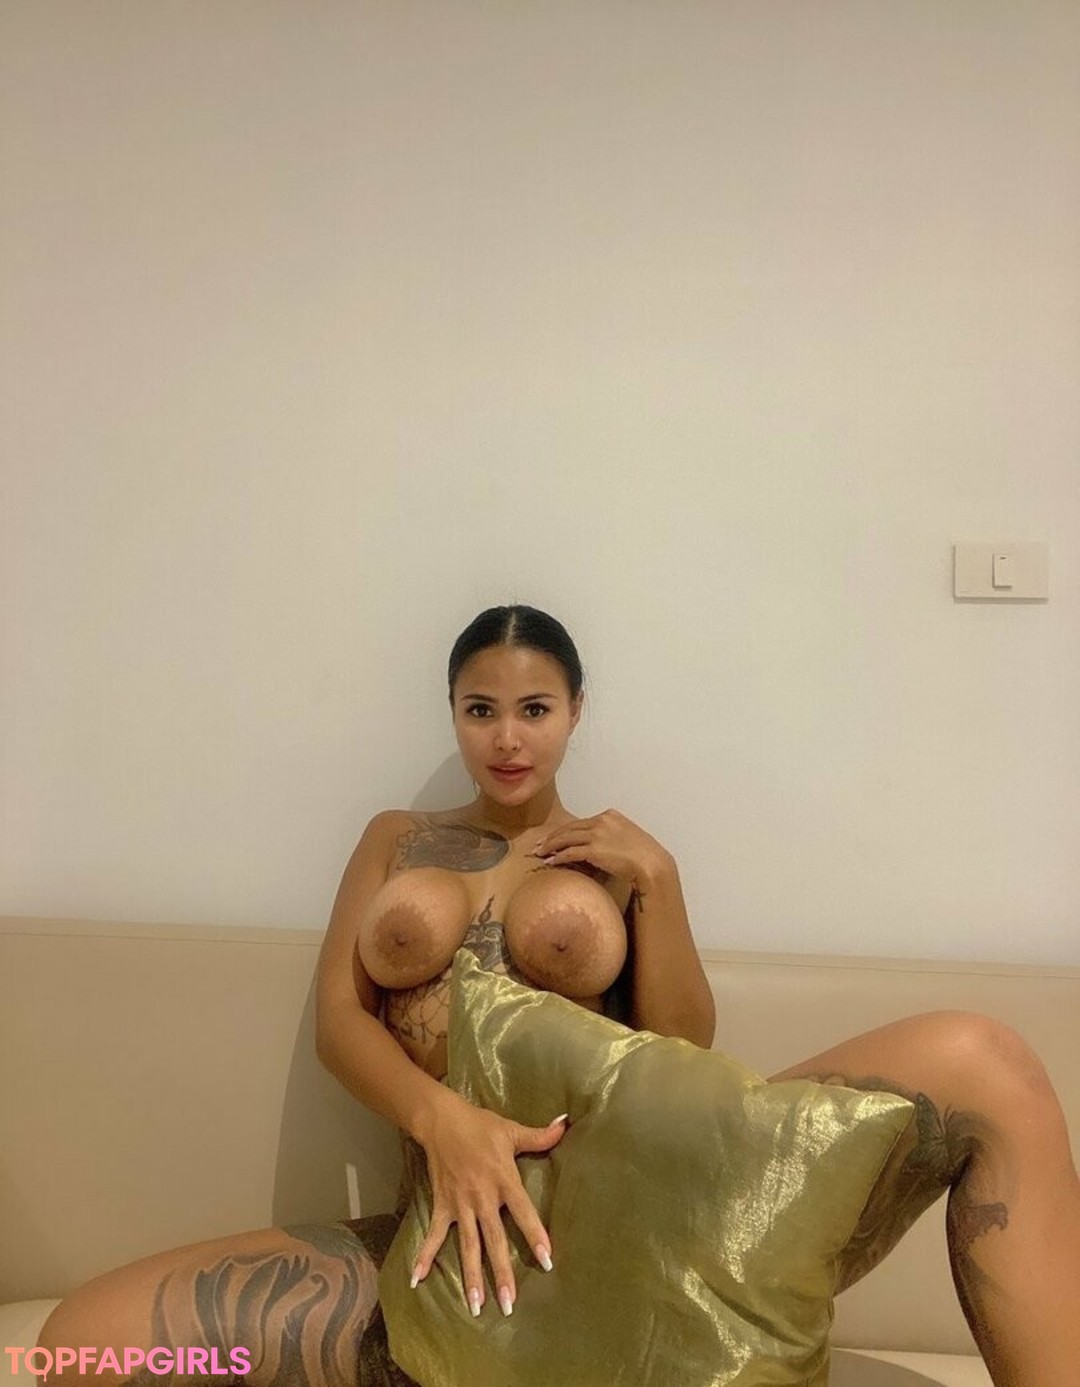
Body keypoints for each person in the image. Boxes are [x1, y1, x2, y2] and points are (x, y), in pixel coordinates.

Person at [38, 605, 1080, 1386]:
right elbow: (340, 1022)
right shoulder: (395, 838)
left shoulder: (615, 857)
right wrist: (440, 1118)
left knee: (982, 1061)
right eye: (480, 709)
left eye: (534, 709)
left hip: (646, 1216)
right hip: (454, 1233)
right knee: (83, 1345)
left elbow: (683, 1046)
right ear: (453, 713)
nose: (507, 737)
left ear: (576, 712)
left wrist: (660, 881)